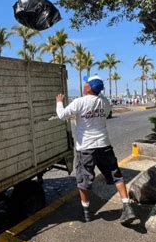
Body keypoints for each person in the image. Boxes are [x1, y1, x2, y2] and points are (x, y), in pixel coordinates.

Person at [55, 75, 136, 224]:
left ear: (88, 87)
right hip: (104, 145)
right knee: (116, 175)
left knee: (83, 180)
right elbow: (104, 113)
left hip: (86, 148)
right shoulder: (104, 102)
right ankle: (127, 206)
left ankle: (86, 213)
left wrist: (59, 102)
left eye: (86, 83)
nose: (84, 84)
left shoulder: (79, 102)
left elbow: (61, 115)